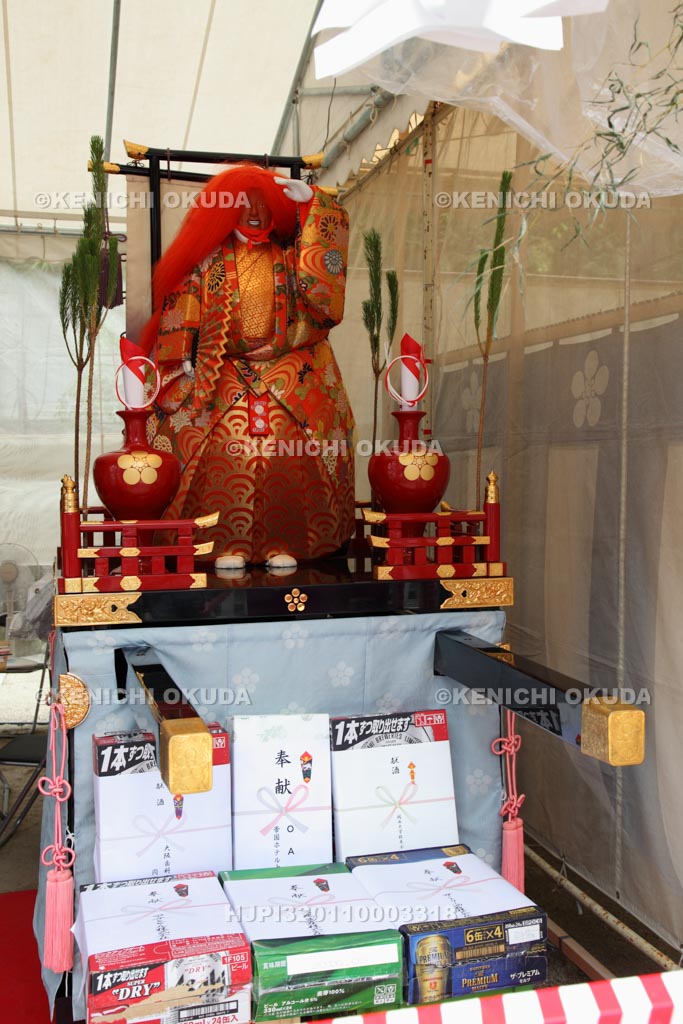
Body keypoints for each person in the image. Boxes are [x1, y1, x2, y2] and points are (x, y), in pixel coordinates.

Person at [139, 163, 355, 569]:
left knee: (290, 460)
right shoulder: (206, 265)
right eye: (243, 205)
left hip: (286, 373)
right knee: (220, 457)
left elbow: (324, 302)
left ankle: (289, 542)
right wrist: (179, 364)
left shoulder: (290, 261)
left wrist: (314, 206)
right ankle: (220, 544)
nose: (254, 214)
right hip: (221, 374)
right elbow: (179, 317)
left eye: (262, 205)